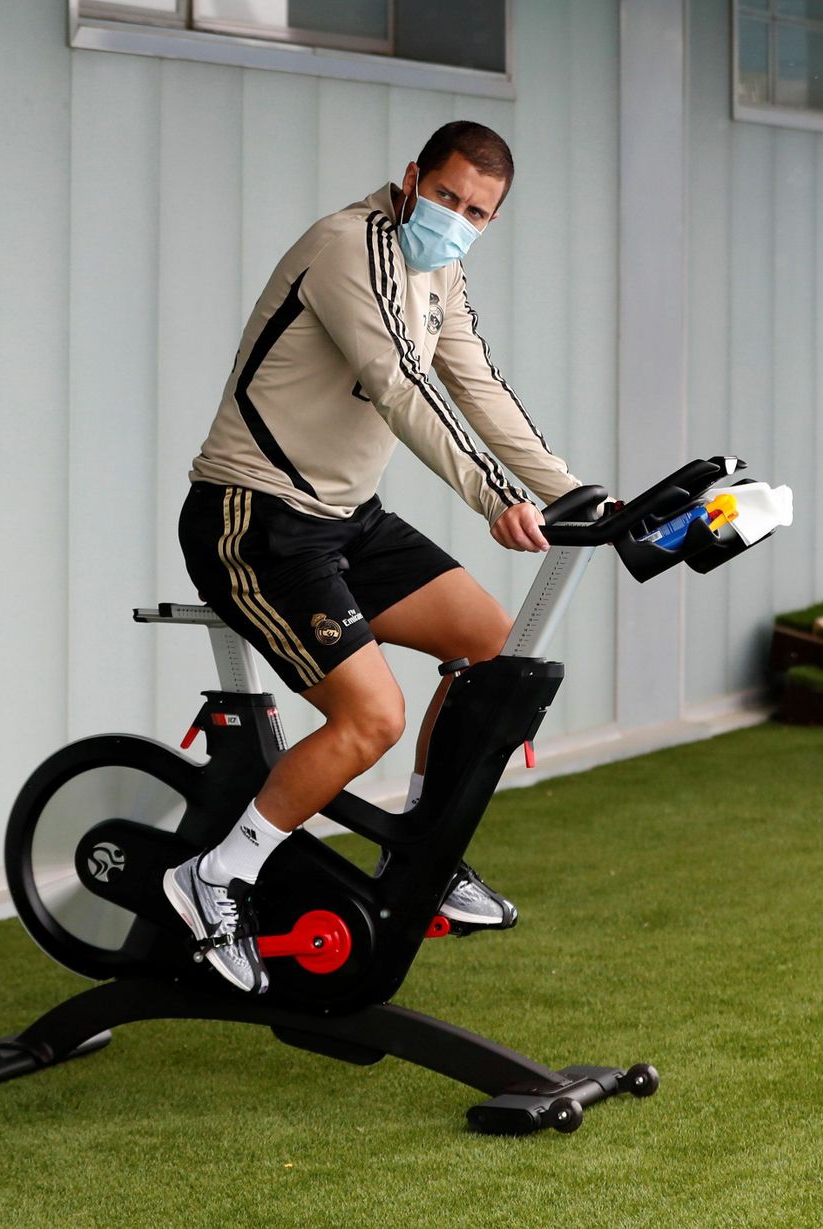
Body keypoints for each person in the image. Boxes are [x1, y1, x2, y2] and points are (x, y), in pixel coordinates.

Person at [163, 121, 582, 993]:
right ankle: (213, 876)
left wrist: (578, 494)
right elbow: (403, 385)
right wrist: (496, 498)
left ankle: (421, 859)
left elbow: (478, 386)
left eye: (478, 211)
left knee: (497, 651)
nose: (458, 218)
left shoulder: (442, 271)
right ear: (410, 179)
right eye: (449, 196)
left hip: (349, 520)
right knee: (373, 718)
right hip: (254, 516)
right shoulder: (345, 248)